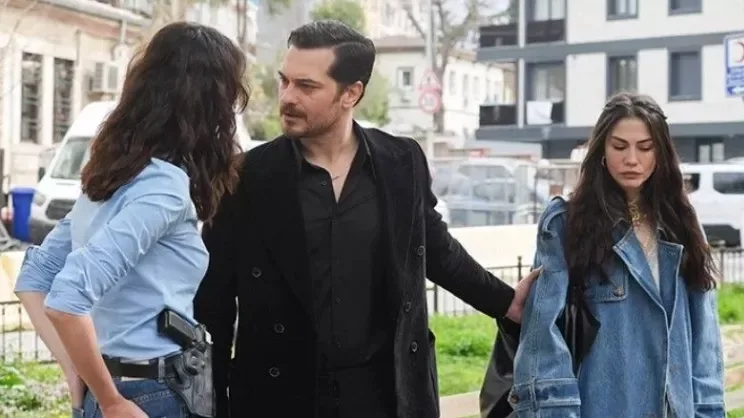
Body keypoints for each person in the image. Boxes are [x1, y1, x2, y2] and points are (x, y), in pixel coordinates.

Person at [193, 19, 539, 418]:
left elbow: (436, 248)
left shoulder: (401, 162)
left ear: (351, 93)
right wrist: (211, 406)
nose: (287, 97)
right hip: (281, 397)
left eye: (306, 86)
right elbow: (213, 304)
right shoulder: (245, 176)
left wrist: (506, 302)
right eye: (284, 81)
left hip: (386, 396)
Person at [13, 21, 248, 418]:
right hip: (149, 392)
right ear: (209, 104)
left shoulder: (114, 176)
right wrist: (110, 400)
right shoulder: (163, 188)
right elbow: (67, 297)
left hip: (118, 389)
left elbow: (36, 275)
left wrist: (78, 372)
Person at [510, 92, 725, 417]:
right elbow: (543, 336)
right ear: (602, 151)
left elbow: (704, 338)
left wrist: (709, 410)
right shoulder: (566, 223)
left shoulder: (681, 223)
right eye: (620, 146)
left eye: (645, 147)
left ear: (661, 153)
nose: (632, 159)